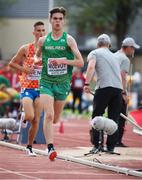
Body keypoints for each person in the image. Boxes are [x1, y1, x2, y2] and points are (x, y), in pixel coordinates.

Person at [34, 7, 84, 161]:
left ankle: (51, 141)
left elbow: (81, 62)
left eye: (60, 19)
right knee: (48, 115)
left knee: (55, 118)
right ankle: (50, 148)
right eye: (55, 18)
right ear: (50, 20)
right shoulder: (43, 40)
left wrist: (63, 61)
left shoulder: (69, 40)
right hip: (46, 82)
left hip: (62, 83)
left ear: (64, 21)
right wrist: (37, 63)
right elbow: (37, 57)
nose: (57, 21)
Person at [9, 21, 46, 156]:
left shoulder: (48, 50)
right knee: (30, 116)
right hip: (27, 88)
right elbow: (12, 63)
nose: (41, 33)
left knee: (36, 120)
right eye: (39, 31)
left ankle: (29, 147)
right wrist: (25, 69)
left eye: (43, 30)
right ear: (34, 32)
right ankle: (24, 118)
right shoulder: (26, 48)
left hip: (41, 89)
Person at [84, 34, 122, 153]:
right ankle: (111, 147)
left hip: (104, 88)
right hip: (117, 89)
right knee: (113, 118)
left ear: (97, 44)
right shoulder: (115, 56)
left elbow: (91, 67)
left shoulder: (95, 53)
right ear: (109, 45)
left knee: (97, 116)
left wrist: (86, 83)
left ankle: (97, 145)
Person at [114, 37, 140, 147]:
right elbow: (122, 76)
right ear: (128, 48)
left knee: (112, 115)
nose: (133, 50)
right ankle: (117, 140)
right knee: (121, 116)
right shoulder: (124, 59)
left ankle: (110, 140)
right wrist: (124, 93)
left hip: (110, 89)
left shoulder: (114, 55)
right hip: (118, 90)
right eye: (133, 48)